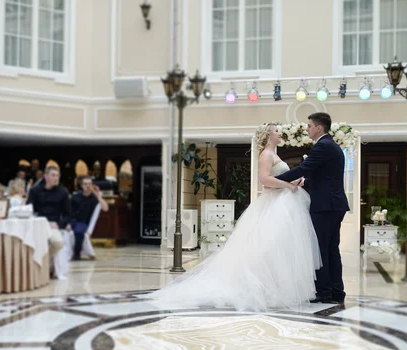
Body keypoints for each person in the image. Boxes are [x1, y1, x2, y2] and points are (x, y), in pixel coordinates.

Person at [149, 123, 321, 312]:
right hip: (274, 204)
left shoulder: (275, 154)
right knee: (268, 247)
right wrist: (288, 185)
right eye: (277, 131)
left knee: (280, 248)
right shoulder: (266, 155)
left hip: (282, 202)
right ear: (269, 135)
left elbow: (277, 177)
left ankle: (279, 288)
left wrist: (293, 181)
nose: (281, 134)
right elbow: (265, 180)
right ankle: (265, 289)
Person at [275, 112, 350, 305]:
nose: (306, 129)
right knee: (331, 250)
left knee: (321, 249)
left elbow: (303, 168)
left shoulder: (323, 146)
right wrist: (305, 181)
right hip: (334, 205)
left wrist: (276, 180)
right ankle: (336, 291)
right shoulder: (330, 145)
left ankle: (324, 292)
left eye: (309, 126)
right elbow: (322, 174)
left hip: (325, 206)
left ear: (319, 128)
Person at [26, 166, 71, 279]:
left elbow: (68, 214)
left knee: (58, 242)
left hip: (53, 224)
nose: (56, 178)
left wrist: (59, 224)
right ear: (45, 176)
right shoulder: (34, 191)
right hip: (37, 223)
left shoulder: (63, 193)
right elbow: (29, 209)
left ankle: (43, 261)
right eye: (53, 175)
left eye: (57, 176)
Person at [70, 176, 109, 260]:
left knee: (79, 231)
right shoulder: (75, 196)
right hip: (71, 221)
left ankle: (77, 254)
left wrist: (98, 195)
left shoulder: (94, 198)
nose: (87, 186)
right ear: (81, 185)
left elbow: (105, 208)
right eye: (85, 184)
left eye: (89, 184)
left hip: (82, 222)